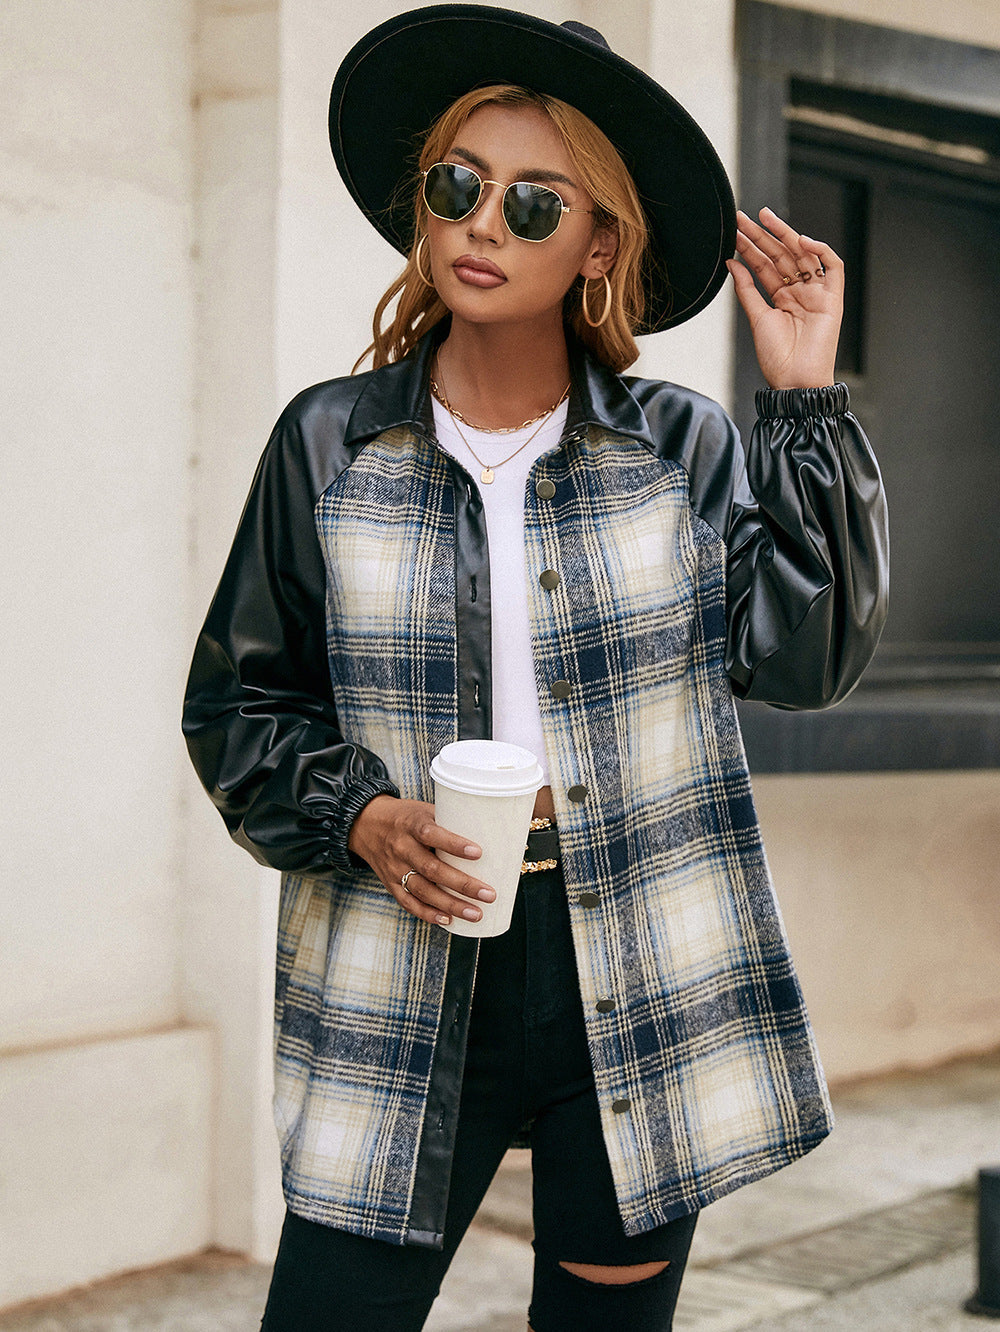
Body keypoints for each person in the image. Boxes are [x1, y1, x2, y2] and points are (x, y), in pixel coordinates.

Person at [182, 8, 888, 1329]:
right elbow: (236, 704)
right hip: (400, 955)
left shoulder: (679, 447)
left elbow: (804, 661)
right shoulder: (328, 444)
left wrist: (802, 402)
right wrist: (360, 815)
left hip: (637, 955)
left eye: (532, 202)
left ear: (598, 245)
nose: (482, 224)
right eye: (457, 186)